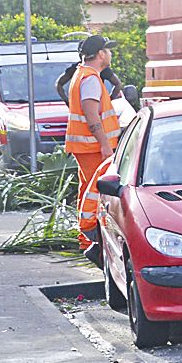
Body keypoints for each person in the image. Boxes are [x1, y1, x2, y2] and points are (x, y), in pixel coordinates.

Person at [62, 35, 120, 263]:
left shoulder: (83, 75)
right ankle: (92, 241)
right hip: (94, 147)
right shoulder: (91, 79)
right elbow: (91, 114)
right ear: (101, 54)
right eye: (108, 50)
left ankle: (87, 240)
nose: (110, 54)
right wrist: (106, 145)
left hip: (86, 147)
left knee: (87, 191)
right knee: (97, 195)